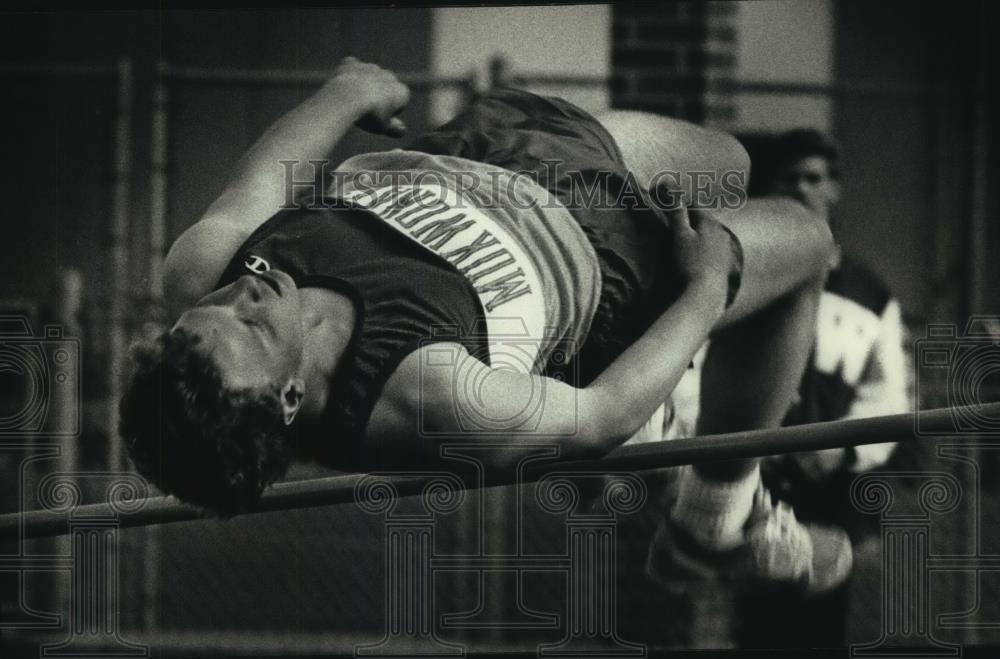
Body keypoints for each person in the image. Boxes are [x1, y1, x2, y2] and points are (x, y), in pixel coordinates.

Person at [118, 58, 847, 594]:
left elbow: (263, 177)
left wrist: (345, 94)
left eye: (205, 314)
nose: (236, 296)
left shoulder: (202, 274)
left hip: (485, 152)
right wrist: (705, 286)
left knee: (732, 161)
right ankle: (714, 518)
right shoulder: (425, 394)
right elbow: (599, 416)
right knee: (809, 241)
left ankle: (684, 404)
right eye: (248, 325)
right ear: (283, 399)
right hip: (606, 258)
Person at [735, 129, 910, 647]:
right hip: (760, 480)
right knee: (760, 621)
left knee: (825, 622)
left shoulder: (867, 291)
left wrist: (845, 447)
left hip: (834, 489)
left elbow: (888, 392)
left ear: (833, 189)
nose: (800, 190)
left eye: (813, 178)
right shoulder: (745, 279)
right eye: (787, 179)